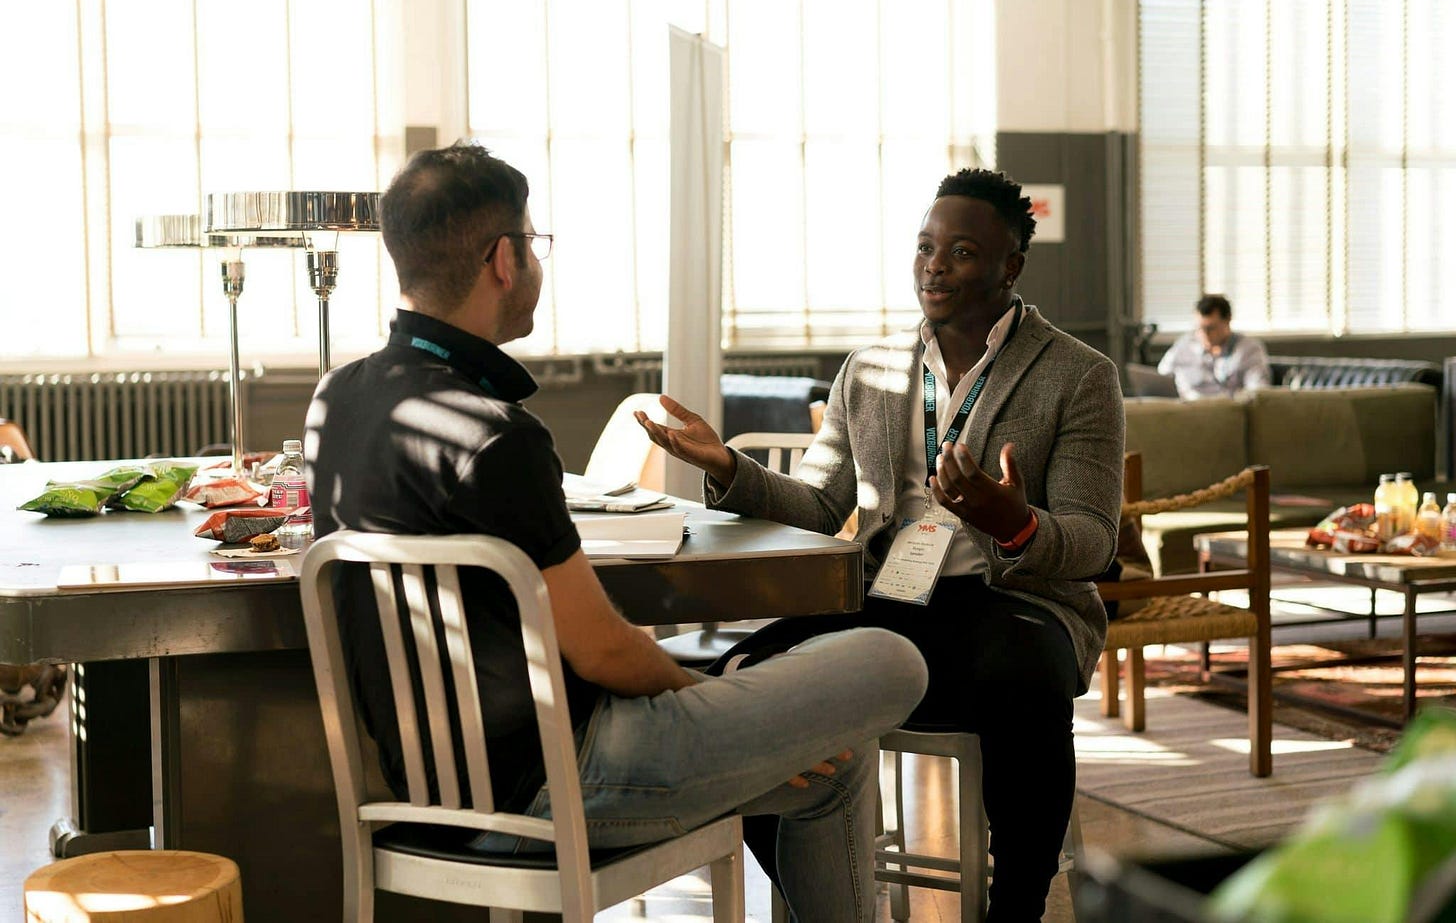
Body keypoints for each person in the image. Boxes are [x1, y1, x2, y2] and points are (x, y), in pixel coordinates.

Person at [304, 141, 927, 922]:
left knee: (835, 759)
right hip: (564, 784)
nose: (536, 261)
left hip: (423, 795)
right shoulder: (500, 436)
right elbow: (599, 647)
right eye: (534, 243)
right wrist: (710, 694)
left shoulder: (337, 400)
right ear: (503, 258)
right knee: (890, 656)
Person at [638, 167, 1125, 920]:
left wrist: (1013, 523)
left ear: (1010, 267)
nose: (935, 265)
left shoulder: (1078, 375)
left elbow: (1093, 540)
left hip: (1016, 603)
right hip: (890, 598)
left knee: (1024, 676)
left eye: (961, 251)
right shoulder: (866, 371)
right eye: (926, 247)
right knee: (753, 671)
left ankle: (1017, 905)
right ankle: (816, 900)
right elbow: (824, 502)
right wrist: (728, 467)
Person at [1156, 293, 1270, 398]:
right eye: (1199, 328)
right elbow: (1160, 378)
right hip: (1187, 410)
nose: (1204, 334)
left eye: (1210, 328)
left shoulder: (1248, 349)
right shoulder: (1185, 344)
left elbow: (1258, 392)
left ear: (1228, 320)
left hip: (1226, 411)